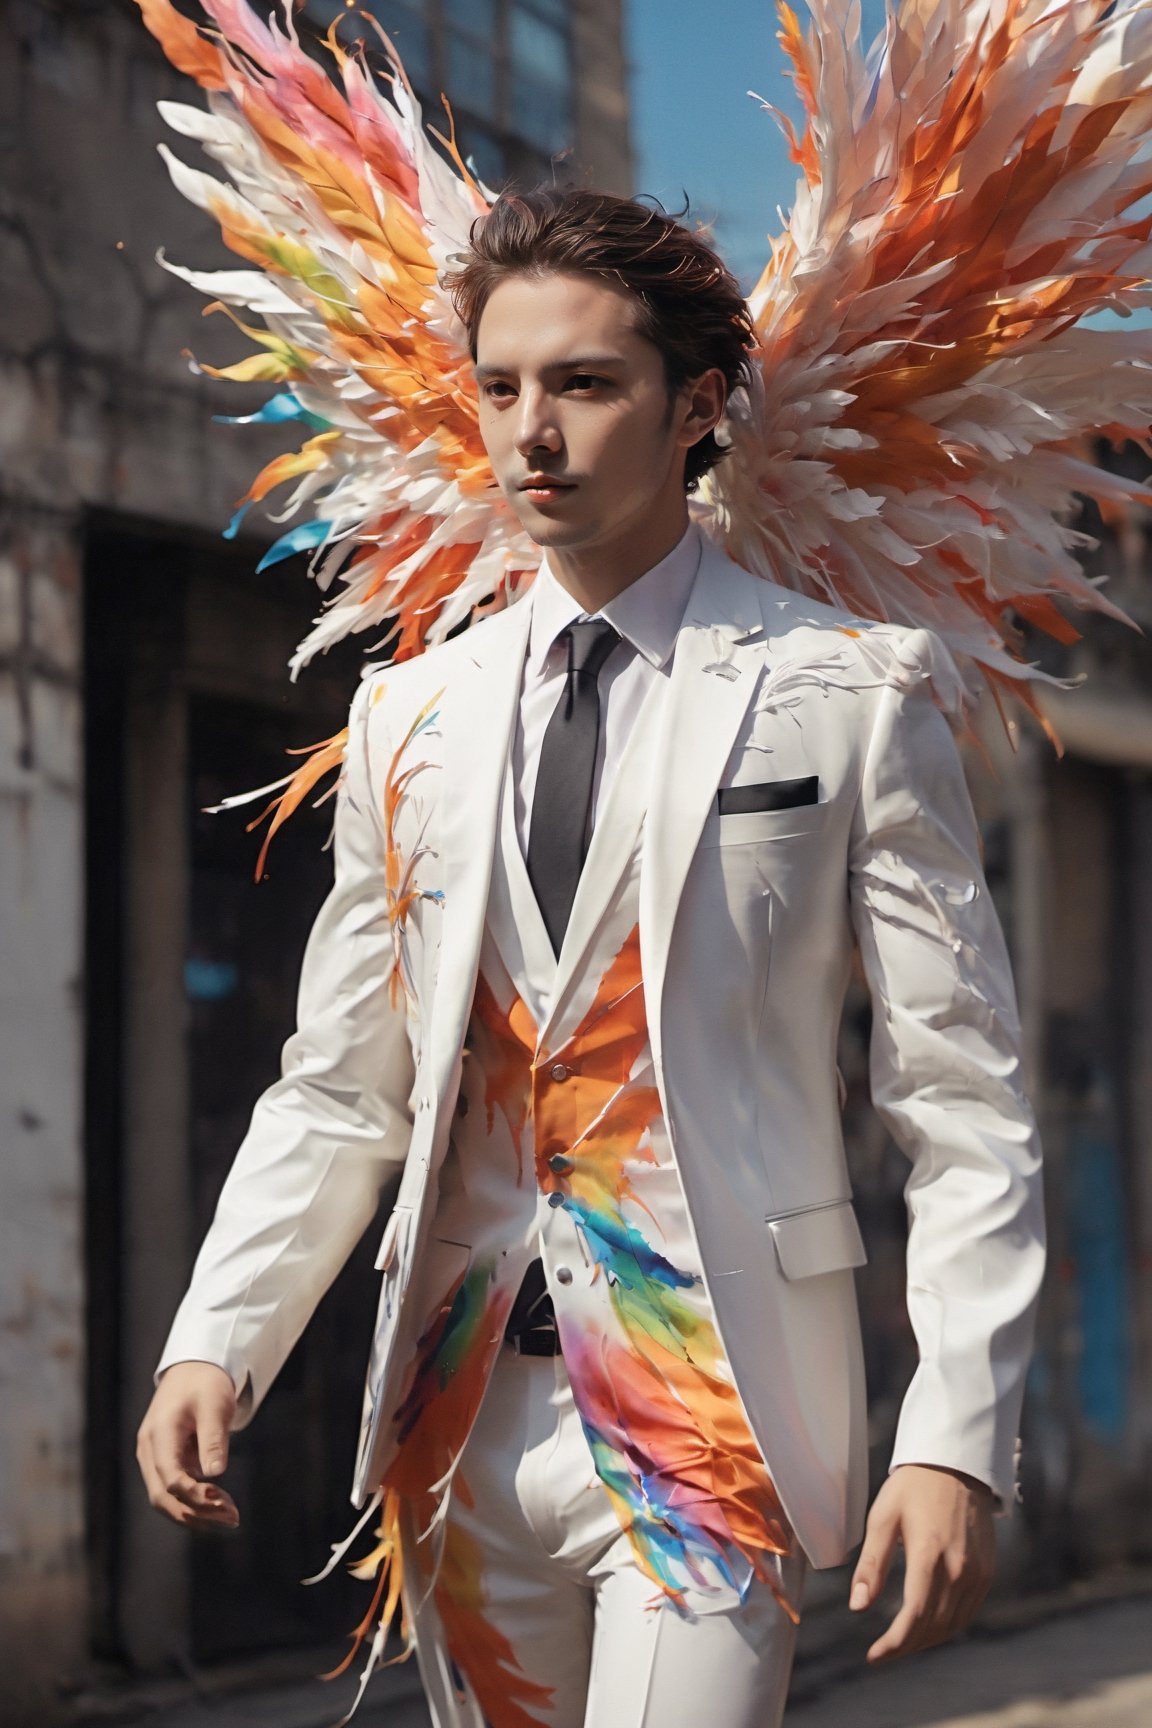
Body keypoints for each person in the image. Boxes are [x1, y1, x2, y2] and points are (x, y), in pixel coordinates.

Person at [136, 188, 1045, 1728]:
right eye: (500, 388)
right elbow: (345, 1088)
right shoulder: (406, 723)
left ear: (696, 407)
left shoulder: (845, 694)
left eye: (584, 386)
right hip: (460, 1406)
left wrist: (955, 1431)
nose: (529, 434)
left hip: (712, 1406)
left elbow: (964, 1105)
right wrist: (218, 1336)